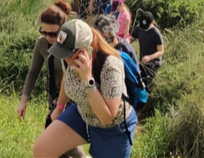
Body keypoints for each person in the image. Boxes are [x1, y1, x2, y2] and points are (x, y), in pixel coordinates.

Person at [33, 19, 137, 158]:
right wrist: (59, 107)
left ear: (85, 50)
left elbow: (107, 117)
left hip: (113, 128)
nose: (64, 59)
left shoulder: (110, 66)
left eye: (67, 55)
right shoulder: (69, 58)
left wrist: (87, 79)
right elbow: (67, 77)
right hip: (83, 113)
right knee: (42, 150)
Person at [18, 0, 86, 158]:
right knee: (55, 146)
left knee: (61, 142)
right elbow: (33, 72)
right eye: (44, 32)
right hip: (54, 99)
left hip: (73, 100)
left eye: (53, 34)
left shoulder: (73, 45)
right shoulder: (41, 44)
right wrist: (24, 99)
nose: (48, 37)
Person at [129, 10, 164, 89]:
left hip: (153, 63)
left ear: (153, 22)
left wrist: (149, 57)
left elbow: (161, 51)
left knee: (145, 84)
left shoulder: (156, 33)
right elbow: (131, 39)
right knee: (137, 79)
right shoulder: (139, 28)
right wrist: (125, 42)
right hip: (143, 61)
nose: (144, 29)